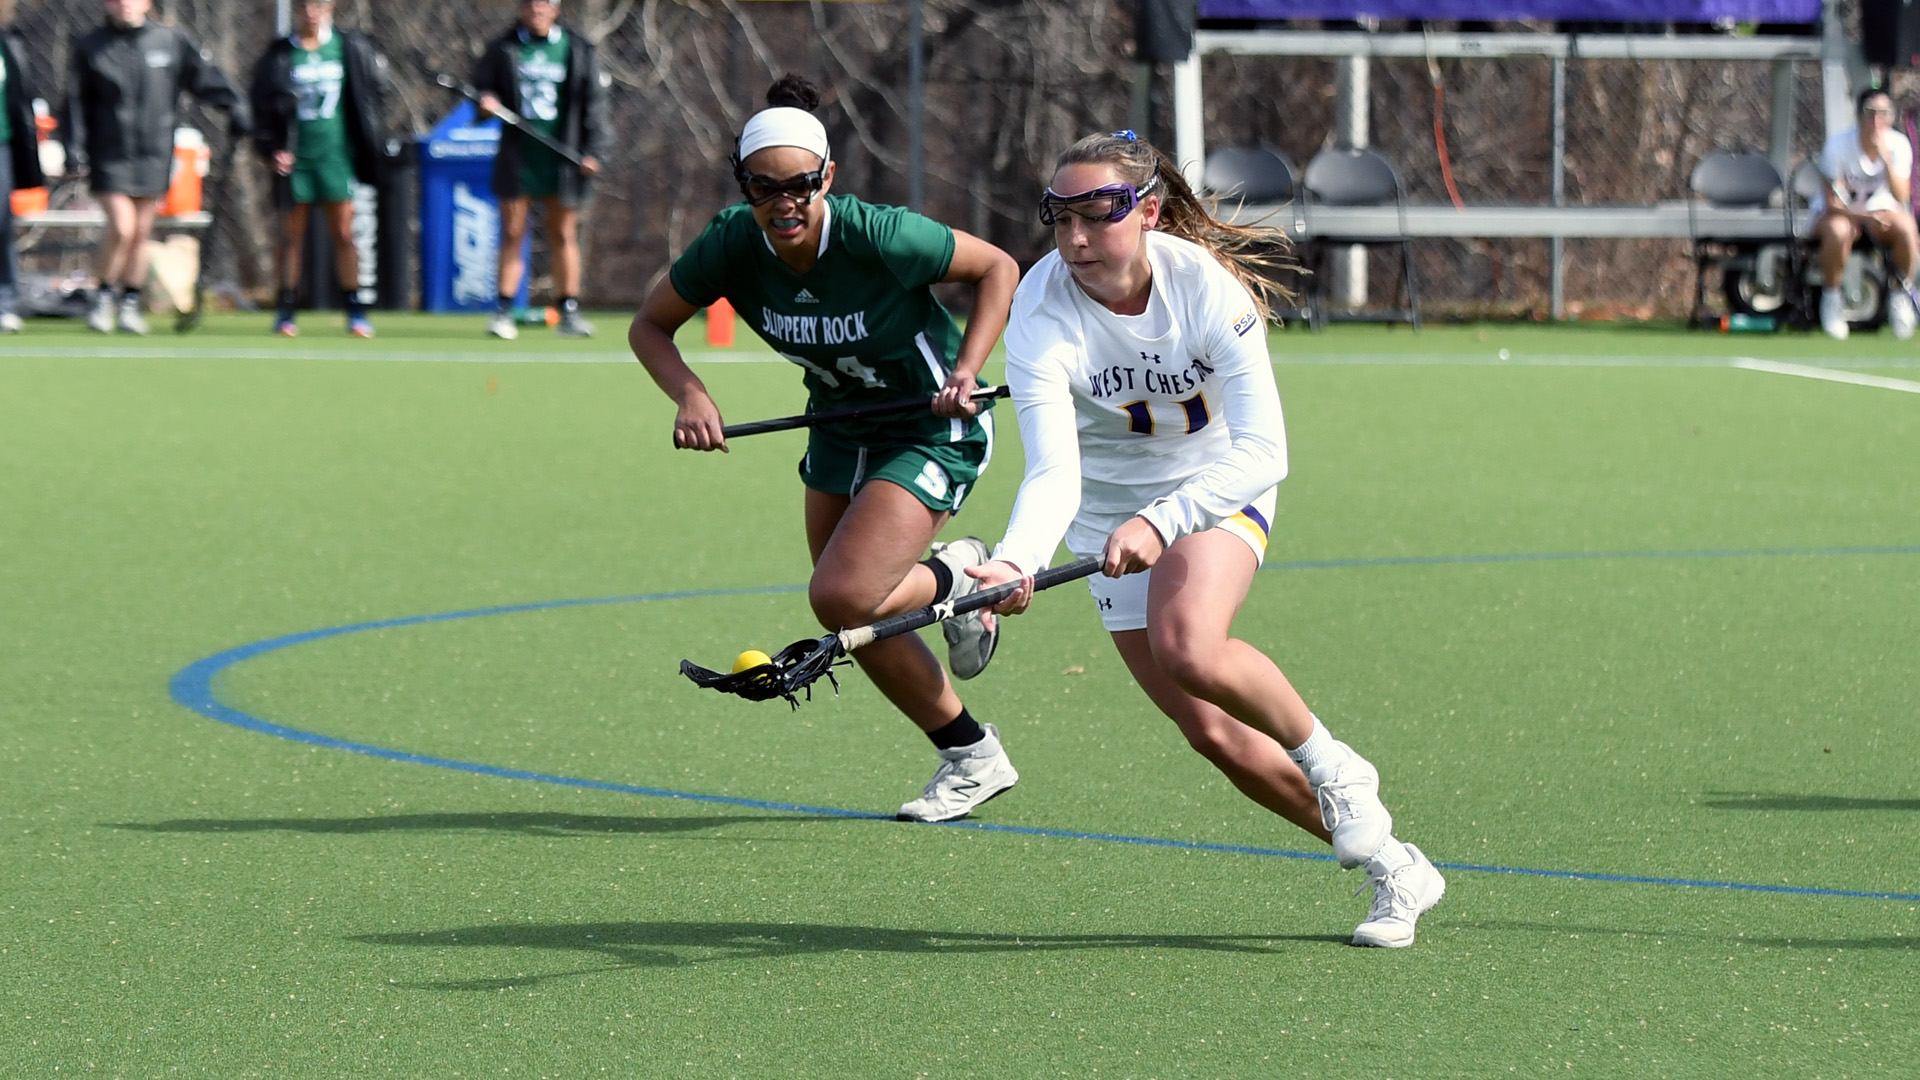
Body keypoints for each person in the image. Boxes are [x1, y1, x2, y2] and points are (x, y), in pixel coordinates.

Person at [968, 131, 1444, 947]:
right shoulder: (1040, 311)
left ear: (1148, 212)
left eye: (1098, 214)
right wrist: (1017, 559)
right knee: (1215, 735)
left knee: (1188, 643)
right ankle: (1395, 866)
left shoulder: (1205, 289)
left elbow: (1265, 451)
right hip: (1107, 516)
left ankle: (1336, 765)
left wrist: (1164, 519)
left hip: (1218, 486)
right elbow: (1053, 471)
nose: (1077, 238)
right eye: (1061, 218)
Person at [629, 75, 1023, 824]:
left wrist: (968, 369)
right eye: (764, 187)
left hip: (929, 425)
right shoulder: (732, 244)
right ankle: (972, 754)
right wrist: (690, 394)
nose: (784, 203)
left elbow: (997, 267)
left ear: (828, 178)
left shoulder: (878, 233)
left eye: (800, 186)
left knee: (842, 597)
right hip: (838, 428)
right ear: (743, 183)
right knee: (853, 616)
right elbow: (650, 325)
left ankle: (957, 577)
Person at [67, 0, 248, 335]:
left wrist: (233, 104)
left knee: (140, 233)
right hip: (109, 154)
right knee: (122, 227)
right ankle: (103, 297)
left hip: (154, 153)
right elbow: (74, 101)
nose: (125, 4)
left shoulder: (170, 40)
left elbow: (203, 76)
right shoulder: (91, 46)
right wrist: (73, 147)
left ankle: (130, 303)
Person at [249, 0, 390, 338]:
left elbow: (371, 96)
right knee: (290, 237)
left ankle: (355, 309)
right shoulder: (280, 54)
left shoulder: (348, 47)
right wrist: (272, 149)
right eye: (304, 7)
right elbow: (261, 107)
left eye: (318, 5)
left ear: (330, 8)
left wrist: (369, 144)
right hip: (296, 158)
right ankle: (286, 310)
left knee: (344, 233)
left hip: (335, 157)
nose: (311, 13)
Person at [473, 0, 609, 340]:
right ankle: (503, 310)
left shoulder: (577, 49)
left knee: (563, 233)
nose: (537, 9)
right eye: (530, 4)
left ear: (556, 9)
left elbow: (595, 103)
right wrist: (486, 102)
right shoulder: (504, 47)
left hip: (562, 157)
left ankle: (569, 310)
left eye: (544, 3)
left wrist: (594, 151)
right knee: (513, 232)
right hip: (519, 157)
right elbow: (482, 89)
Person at [1812, 87, 1917, 341]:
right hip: (1842, 214)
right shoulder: (1838, 145)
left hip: (1880, 214)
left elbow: (1902, 196)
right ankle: (1832, 299)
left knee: (1907, 227)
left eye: (1884, 113)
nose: (1877, 120)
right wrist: (1863, 217)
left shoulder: (1898, 145)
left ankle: (1900, 296)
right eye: (1871, 113)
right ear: (1859, 115)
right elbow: (1832, 203)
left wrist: (1886, 160)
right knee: (1839, 230)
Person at [0, 7, 48, 333]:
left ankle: (4, 302)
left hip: (2, 144)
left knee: (2, 221)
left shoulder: (9, 43)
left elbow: (19, 100)